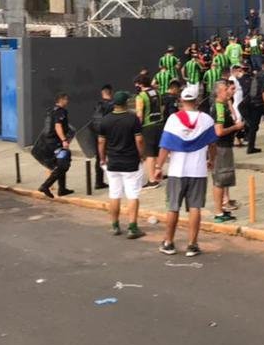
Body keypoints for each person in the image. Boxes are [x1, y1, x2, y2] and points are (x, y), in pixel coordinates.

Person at [153, 84, 219, 256]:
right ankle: (192, 244)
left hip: (177, 171)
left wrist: (158, 166)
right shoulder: (206, 119)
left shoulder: (173, 119)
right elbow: (213, 145)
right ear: (197, 101)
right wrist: (211, 160)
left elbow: (165, 146)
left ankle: (168, 242)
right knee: (195, 207)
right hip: (198, 171)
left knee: (173, 207)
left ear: (181, 100)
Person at [98, 90, 145, 239]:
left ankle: (115, 225)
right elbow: (139, 140)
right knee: (132, 194)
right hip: (131, 162)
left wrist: (102, 158)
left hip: (113, 162)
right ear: (126, 103)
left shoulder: (105, 120)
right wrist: (141, 155)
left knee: (114, 194)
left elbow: (101, 142)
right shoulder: (133, 119)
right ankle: (132, 227)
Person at [209, 80, 245, 223]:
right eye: (226, 90)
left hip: (224, 146)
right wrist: (236, 128)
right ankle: (219, 212)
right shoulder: (219, 108)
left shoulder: (223, 105)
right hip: (221, 147)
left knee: (223, 179)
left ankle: (222, 208)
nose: (229, 92)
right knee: (220, 179)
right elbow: (219, 131)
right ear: (218, 92)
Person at [37, 93, 74, 199]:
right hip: (56, 143)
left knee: (61, 163)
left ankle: (62, 189)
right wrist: (64, 140)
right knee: (63, 165)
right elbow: (58, 126)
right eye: (66, 99)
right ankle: (45, 186)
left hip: (49, 142)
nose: (67, 101)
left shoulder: (51, 111)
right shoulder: (60, 112)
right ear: (61, 100)